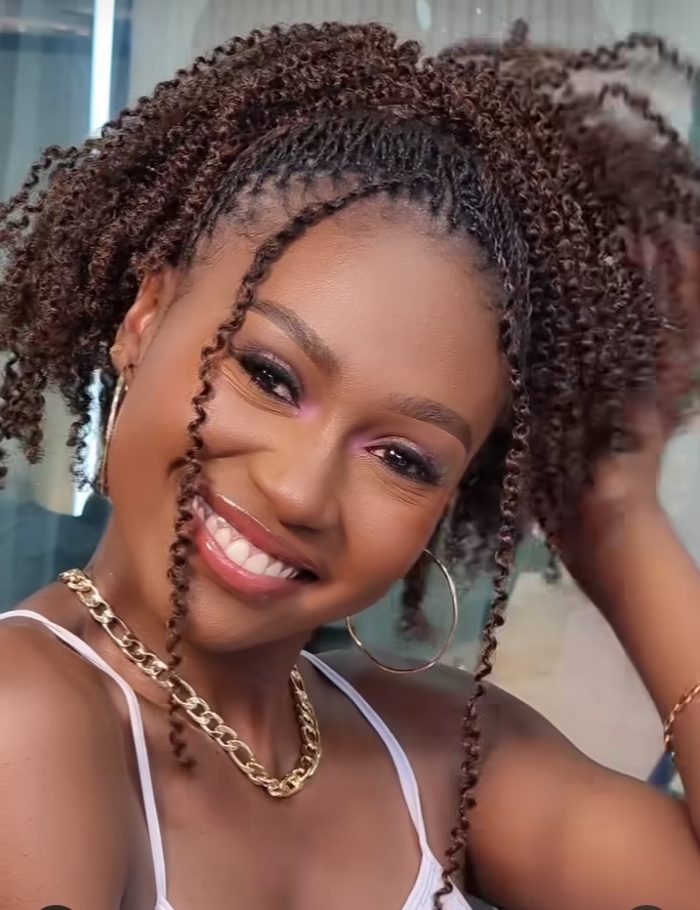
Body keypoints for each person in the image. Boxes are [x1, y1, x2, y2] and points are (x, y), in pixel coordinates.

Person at [0, 21, 699, 910]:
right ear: (146, 319)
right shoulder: (25, 714)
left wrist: (615, 517)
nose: (299, 490)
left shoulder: (436, 748)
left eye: (403, 458)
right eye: (269, 375)